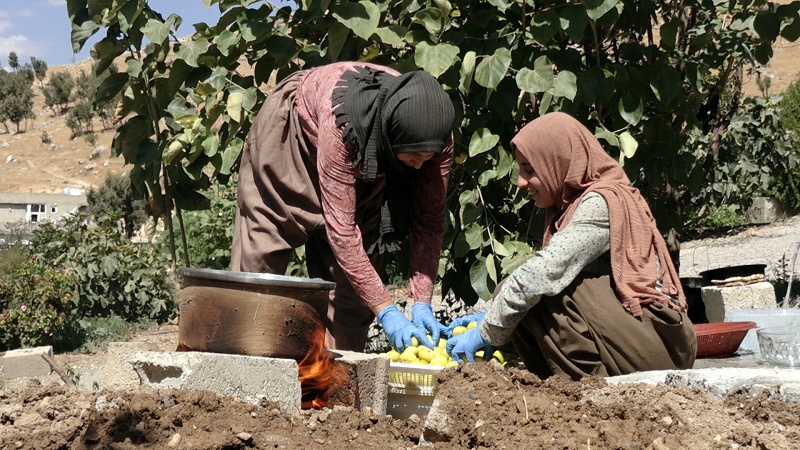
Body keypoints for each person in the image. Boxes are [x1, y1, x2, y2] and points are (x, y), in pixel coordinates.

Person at [446, 112, 697, 379]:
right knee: (510, 294)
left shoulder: (600, 202)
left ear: (558, 162)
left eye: (530, 170)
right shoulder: (568, 205)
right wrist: (492, 320)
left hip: (662, 343)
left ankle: (591, 391)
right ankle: (559, 388)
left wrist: (487, 329)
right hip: (638, 337)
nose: (520, 181)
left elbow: (543, 274)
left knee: (542, 293)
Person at [231, 61, 455, 353]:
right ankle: (245, 371)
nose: (419, 166)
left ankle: (335, 382)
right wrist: (387, 311)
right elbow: (342, 232)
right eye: (412, 157)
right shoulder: (342, 125)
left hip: (370, 161)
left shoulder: (436, 136)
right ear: (390, 136)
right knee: (259, 266)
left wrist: (422, 301)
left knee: (352, 297)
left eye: (427, 158)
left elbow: (430, 219)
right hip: (294, 142)